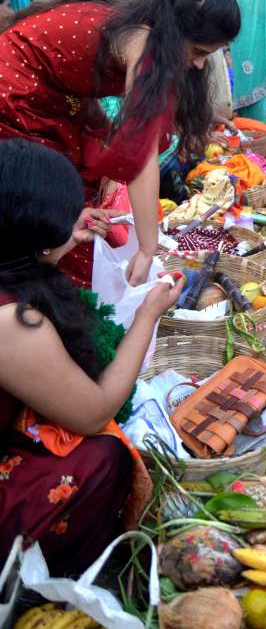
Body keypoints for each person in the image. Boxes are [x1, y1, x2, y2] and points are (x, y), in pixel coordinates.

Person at [0, 139, 184, 574]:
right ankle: (51, 574)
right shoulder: (14, 323)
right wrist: (148, 315)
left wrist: (61, 238)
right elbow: (93, 411)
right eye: (66, 217)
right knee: (104, 454)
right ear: (37, 234)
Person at [0, 0, 241, 288]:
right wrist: (147, 247)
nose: (198, 65)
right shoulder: (145, 46)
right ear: (176, 32)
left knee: (84, 202)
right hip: (17, 92)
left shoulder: (147, 24)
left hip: (60, 98)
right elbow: (142, 155)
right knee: (49, 209)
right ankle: (38, 293)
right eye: (198, 52)